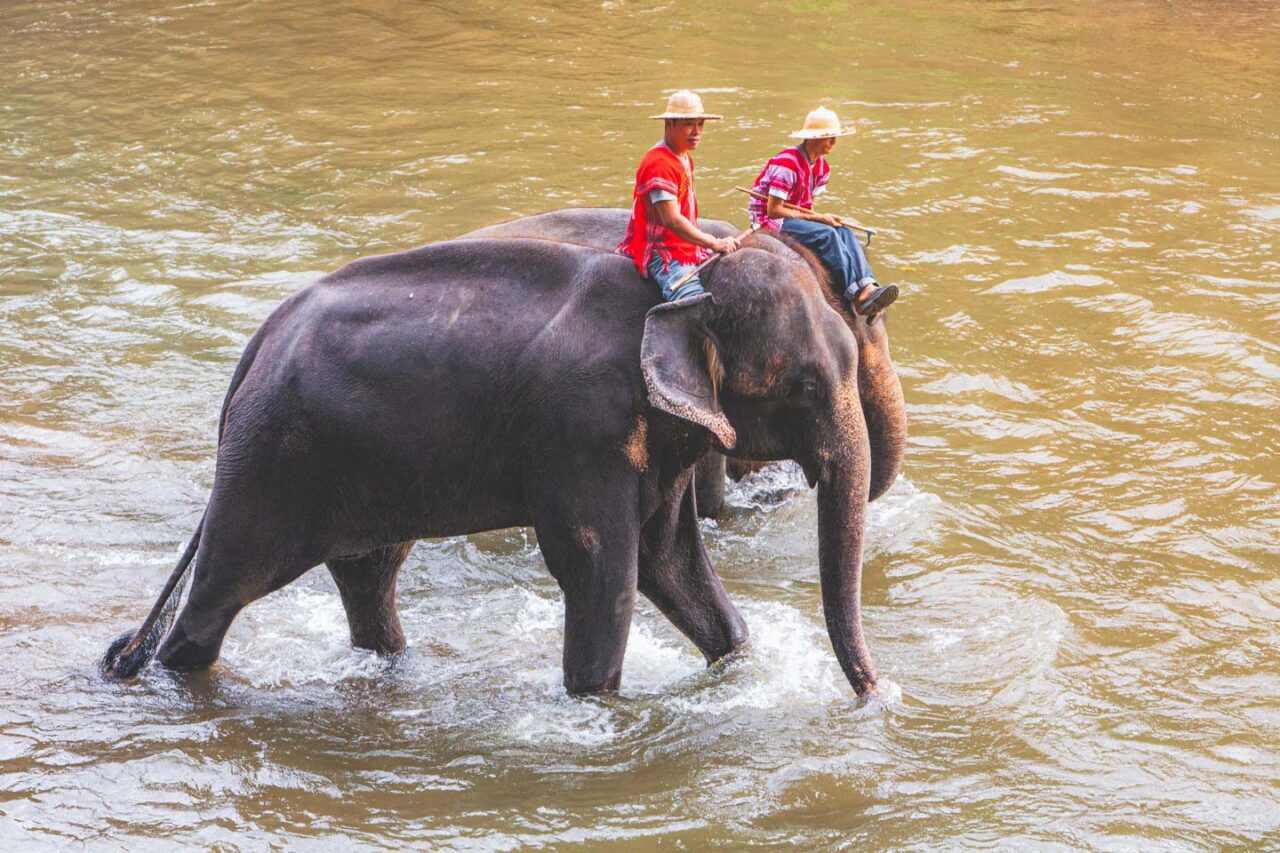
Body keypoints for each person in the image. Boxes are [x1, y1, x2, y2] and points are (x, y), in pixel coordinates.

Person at [748, 106, 898, 317]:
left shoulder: (822, 168)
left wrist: (820, 218)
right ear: (814, 139)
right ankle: (854, 294)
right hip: (770, 220)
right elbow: (774, 210)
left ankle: (867, 285)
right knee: (827, 234)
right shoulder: (787, 164)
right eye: (829, 137)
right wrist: (819, 219)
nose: (833, 142)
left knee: (843, 231)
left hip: (792, 215)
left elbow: (807, 207)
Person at [617, 90, 741, 302]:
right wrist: (713, 242)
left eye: (701, 124)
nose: (697, 131)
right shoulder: (659, 164)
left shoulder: (683, 155)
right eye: (688, 124)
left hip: (683, 243)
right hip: (663, 250)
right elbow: (671, 220)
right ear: (669, 124)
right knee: (691, 300)